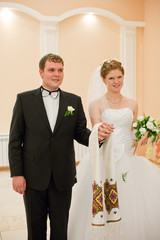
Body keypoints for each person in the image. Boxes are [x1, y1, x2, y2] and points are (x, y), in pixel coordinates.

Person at [8, 53, 110, 240]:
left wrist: (98, 136)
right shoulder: (24, 100)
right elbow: (15, 140)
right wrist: (17, 173)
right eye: (51, 70)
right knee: (35, 229)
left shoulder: (73, 101)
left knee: (60, 229)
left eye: (60, 70)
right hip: (33, 176)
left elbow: (80, 133)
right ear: (41, 72)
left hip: (62, 176)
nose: (57, 74)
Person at [68, 59, 160, 240]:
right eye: (111, 78)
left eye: (119, 77)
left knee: (134, 202)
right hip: (106, 158)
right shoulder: (96, 104)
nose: (116, 81)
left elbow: (132, 130)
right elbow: (96, 133)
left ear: (123, 77)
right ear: (103, 80)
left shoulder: (132, 103)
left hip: (129, 159)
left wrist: (144, 134)